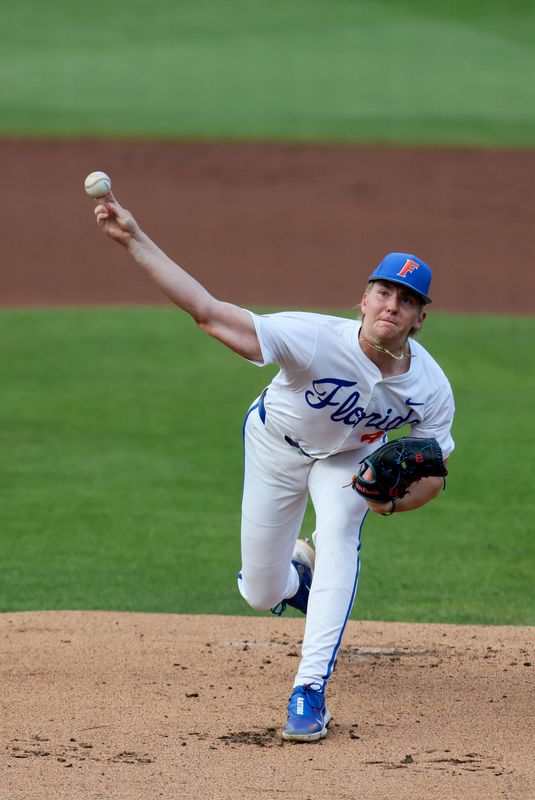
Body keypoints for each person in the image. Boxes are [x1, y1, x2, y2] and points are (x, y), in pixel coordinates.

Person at [92, 189, 455, 743]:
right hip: (275, 447)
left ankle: (308, 692)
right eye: (384, 292)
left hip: (346, 460)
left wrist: (388, 502)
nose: (391, 305)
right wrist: (135, 239)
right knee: (259, 592)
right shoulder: (311, 338)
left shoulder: (429, 387)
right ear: (362, 299)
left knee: (339, 529)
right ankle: (296, 578)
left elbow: (433, 472)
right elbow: (208, 314)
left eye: (406, 300)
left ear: (420, 318)